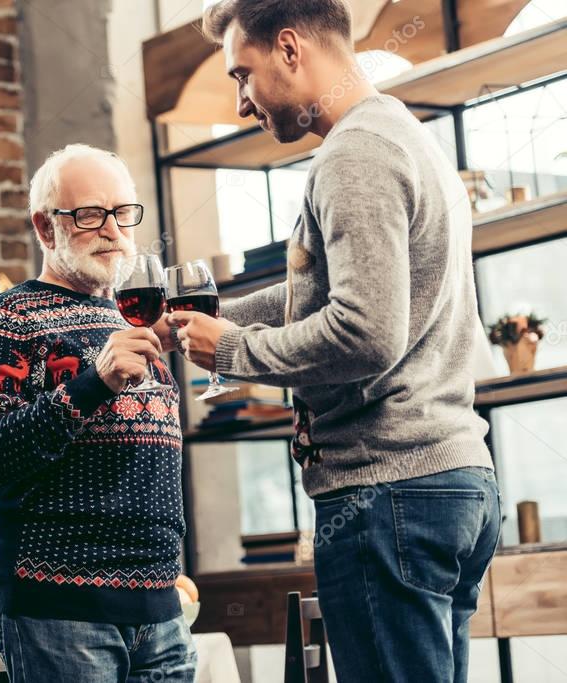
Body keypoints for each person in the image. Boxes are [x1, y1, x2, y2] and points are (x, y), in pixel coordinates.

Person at [166, 2, 501, 681]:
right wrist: (206, 321)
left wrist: (231, 351)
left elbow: (365, 333)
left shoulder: (352, 156)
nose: (239, 103)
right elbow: (316, 296)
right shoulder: (398, 132)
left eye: (241, 74)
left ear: (289, 49)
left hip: (386, 492)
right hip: (446, 479)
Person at [0, 144, 196, 682]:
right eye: (90, 215)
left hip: (161, 607)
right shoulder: (11, 318)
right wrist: (94, 382)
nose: (112, 230)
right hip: (59, 610)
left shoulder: (138, 317)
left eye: (123, 213)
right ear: (46, 228)